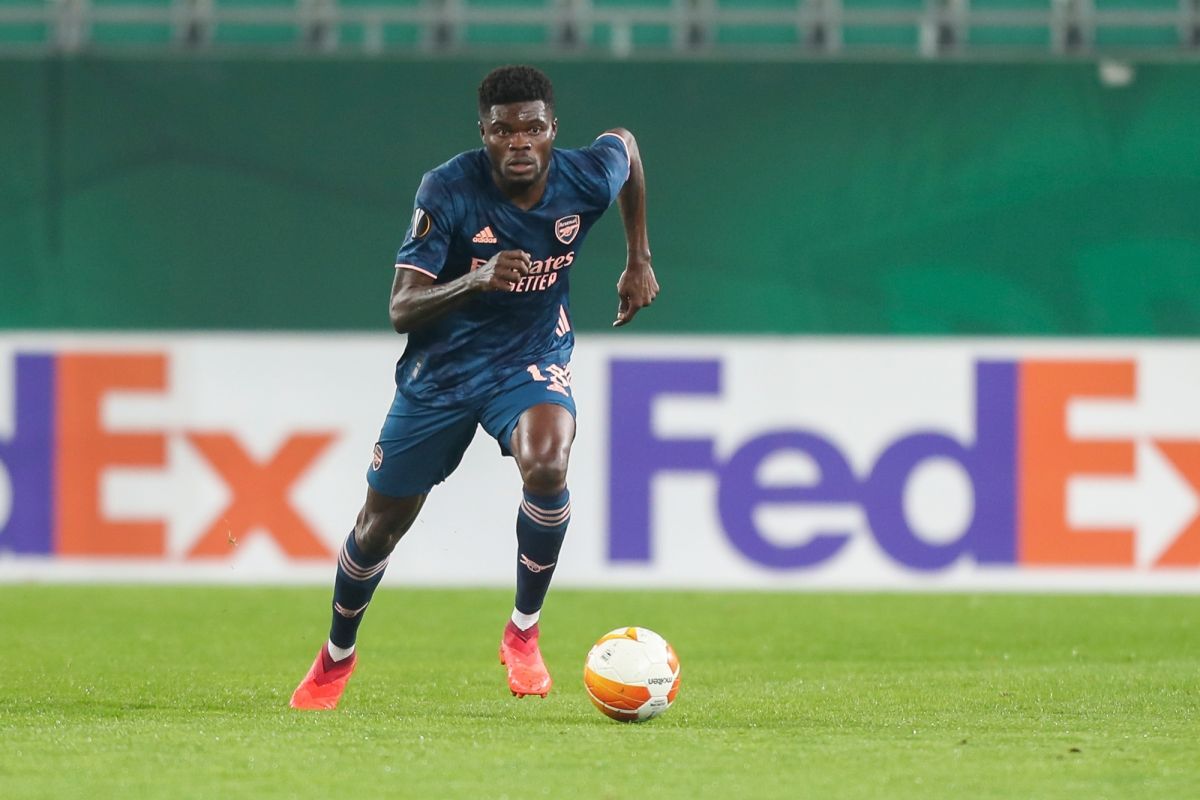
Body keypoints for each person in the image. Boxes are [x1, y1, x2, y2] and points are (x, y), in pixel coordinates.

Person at [290, 64, 658, 709]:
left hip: (530, 356)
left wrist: (638, 258)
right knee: (377, 529)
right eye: (504, 130)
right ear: (483, 133)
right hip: (443, 374)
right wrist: (475, 279)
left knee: (549, 461)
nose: (520, 142)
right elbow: (401, 308)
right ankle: (336, 656)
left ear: (553, 129)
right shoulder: (449, 189)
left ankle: (523, 631)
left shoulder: (583, 177)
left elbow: (624, 146)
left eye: (533, 128)